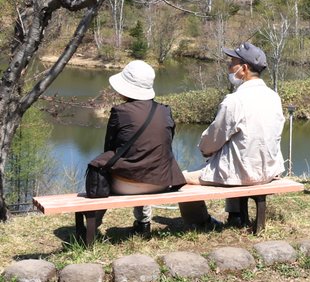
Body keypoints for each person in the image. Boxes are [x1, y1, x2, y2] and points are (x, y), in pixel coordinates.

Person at [181, 42, 285, 228]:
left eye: (232, 63)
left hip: (242, 174)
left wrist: (205, 150)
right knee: (234, 154)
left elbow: (213, 138)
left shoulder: (235, 101)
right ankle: (235, 215)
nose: (229, 67)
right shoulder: (274, 97)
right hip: (269, 170)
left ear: (244, 68)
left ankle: (202, 223)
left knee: (183, 178)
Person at [102, 60, 185, 237]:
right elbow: (166, 145)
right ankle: (144, 223)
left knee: (107, 167)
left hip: (126, 185)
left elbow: (108, 148)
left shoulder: (120, 112)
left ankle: (94, 223)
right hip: (161, 183)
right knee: (147, 163)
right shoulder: (165, 111)